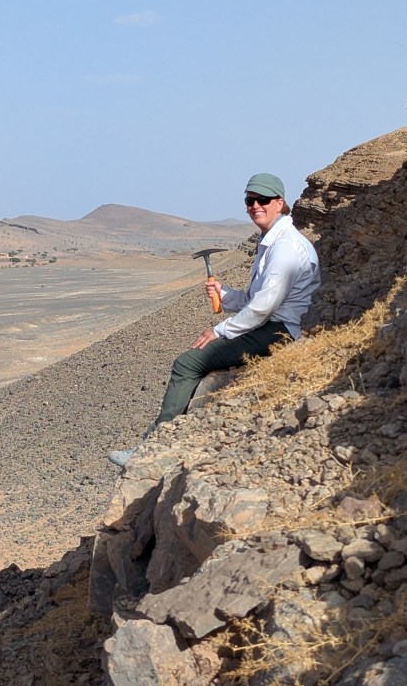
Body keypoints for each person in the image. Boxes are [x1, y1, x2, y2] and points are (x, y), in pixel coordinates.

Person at [108, 173, 321, 468]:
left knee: (187, 363)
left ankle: (150, 450)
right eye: (250, 201)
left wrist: (220, 330)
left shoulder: (285, 248)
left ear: (279, 202)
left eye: (262, 200)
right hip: (270, 324)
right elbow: (253, 299)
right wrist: (225, 294)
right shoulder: (271, 242)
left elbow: (263, 307)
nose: (255, 206)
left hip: (280, 330)